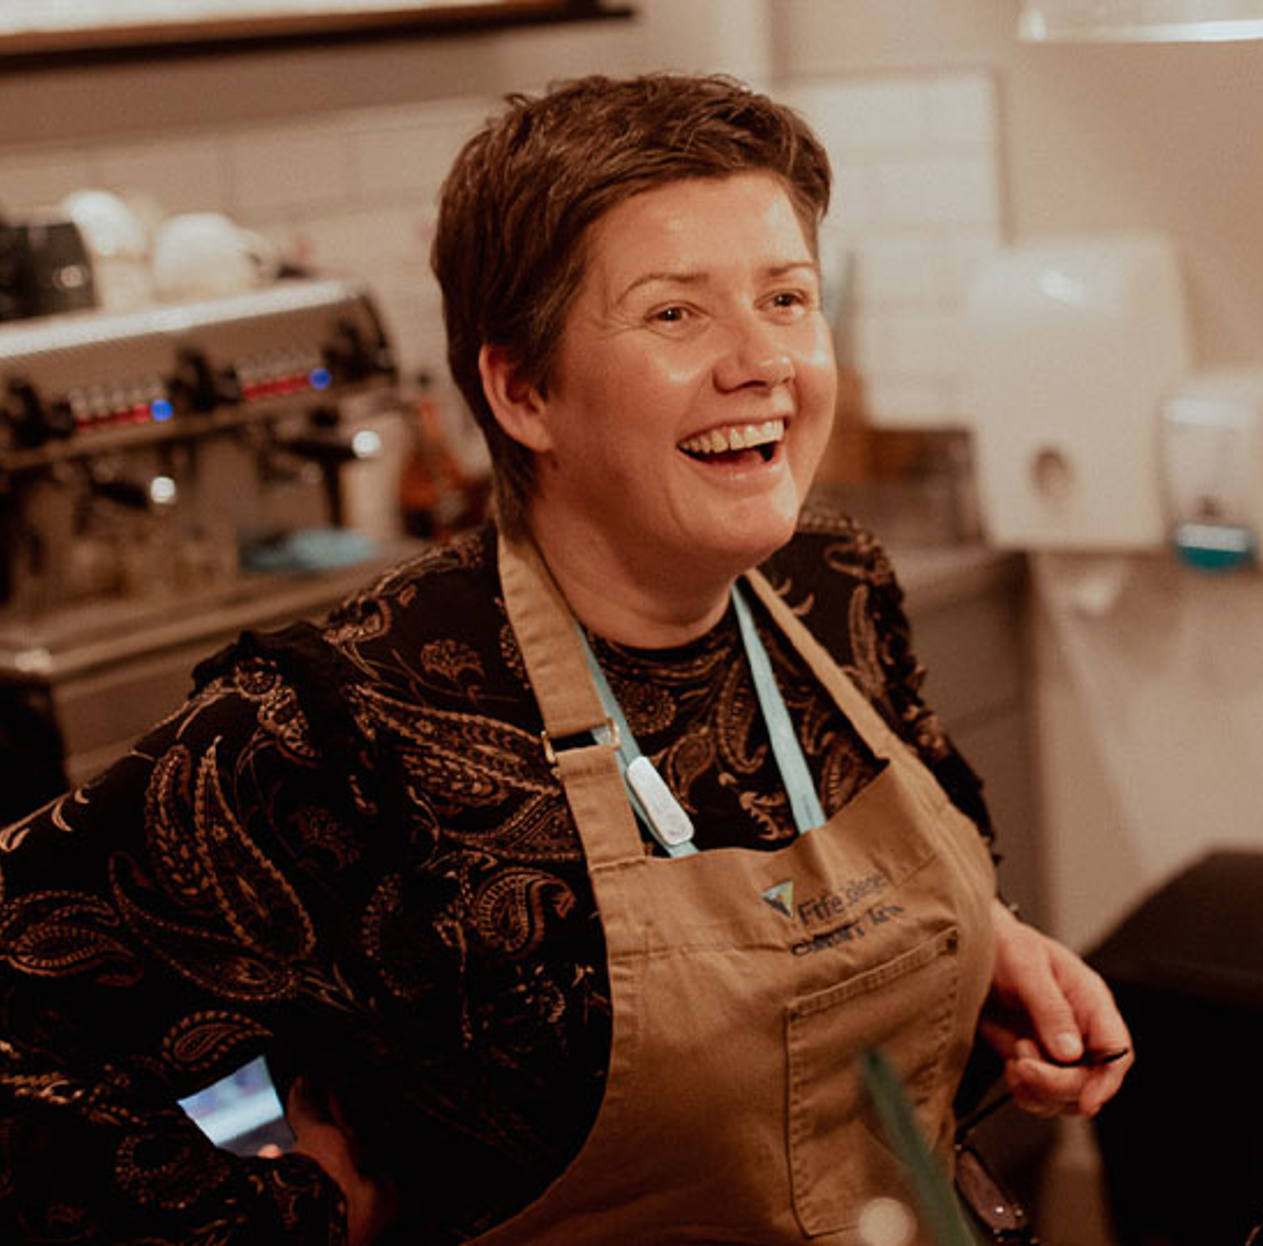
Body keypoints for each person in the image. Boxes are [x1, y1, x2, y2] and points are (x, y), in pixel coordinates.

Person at [0, 73, 1130, 1245]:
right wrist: (296, 1217)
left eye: (785, 298)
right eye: (674, 314)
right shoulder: (351, 722)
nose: (762, 361)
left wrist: (982, 944)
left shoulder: (831, 588)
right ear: (523, 390)